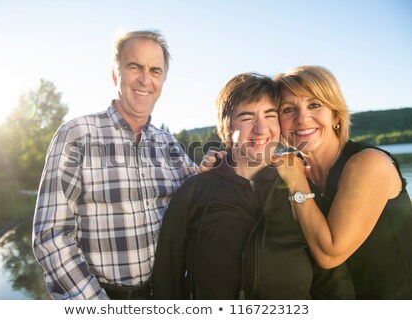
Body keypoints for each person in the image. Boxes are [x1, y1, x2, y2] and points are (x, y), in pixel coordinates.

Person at [152, 72, 354, 299]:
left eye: (270, 116)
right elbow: (166, 279)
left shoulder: (302, 191)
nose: (261, 129)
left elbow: (333, 283)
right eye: (247, 117)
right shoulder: (194, 192)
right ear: (226, 128)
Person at [32, 30, 197, 300]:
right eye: (135, 67)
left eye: (155, 71)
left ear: (163, 80)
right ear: (114, 74)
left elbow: (203, 197)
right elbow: (51, 236)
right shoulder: (77, 134)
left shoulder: (171, 146)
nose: (146, 79)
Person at [273, 65, 412, 299]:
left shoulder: (368, 164)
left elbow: (330, 255)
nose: (302, 118)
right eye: (288, 109)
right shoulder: (293, 168)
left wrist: (296, 182)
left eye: (314, 105)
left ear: (335, 115)